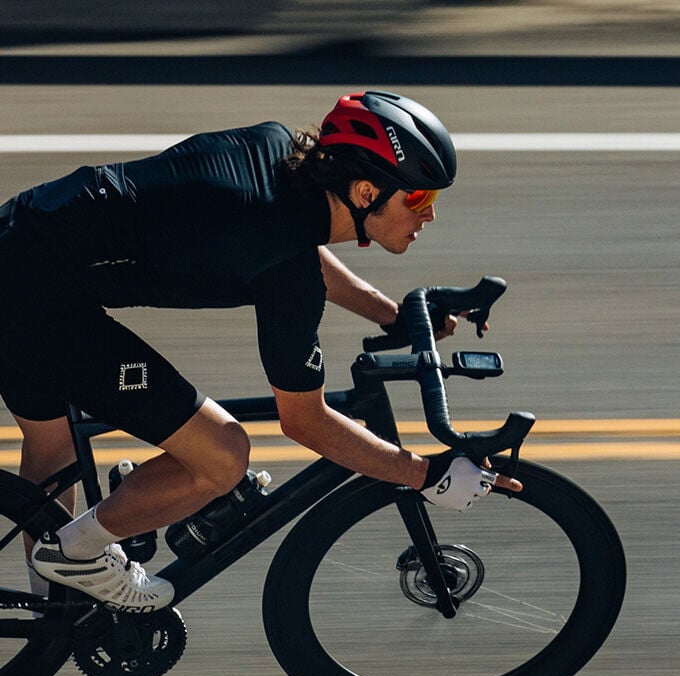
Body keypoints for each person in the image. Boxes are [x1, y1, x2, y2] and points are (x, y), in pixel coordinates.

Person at [0, 90, 521, 613]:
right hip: (34, 303)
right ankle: (73, 555)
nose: (429, 215)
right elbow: (305, 422)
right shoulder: (284, 267)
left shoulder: (278, 152)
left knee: (52, 452)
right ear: (365, 192)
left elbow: (293, 243)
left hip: (18, 239)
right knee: (222, 456)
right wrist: (427, 475)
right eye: (419, 199)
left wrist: (394, 315)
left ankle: (51, 621)